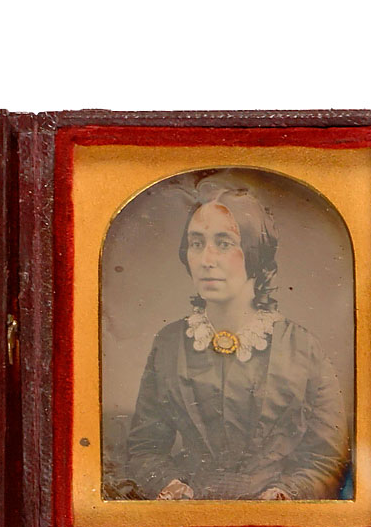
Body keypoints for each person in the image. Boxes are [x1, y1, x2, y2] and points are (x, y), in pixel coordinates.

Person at [123, 185, 350, 501]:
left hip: (275, 519)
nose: (206, 260)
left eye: (224, 243)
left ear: (255, 251)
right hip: (189, 514)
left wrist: (286, 494)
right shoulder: (169, 343)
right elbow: (145, 448)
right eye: (196, 243)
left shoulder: (301, 347)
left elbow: (326, 458)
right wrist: (168, 485)